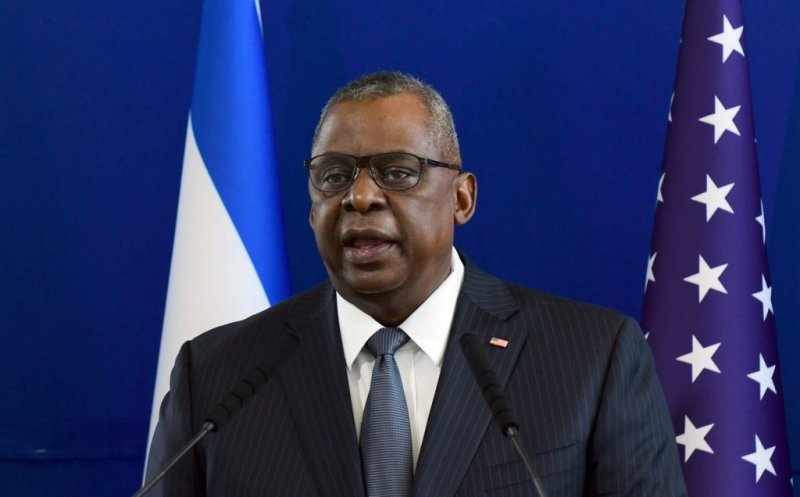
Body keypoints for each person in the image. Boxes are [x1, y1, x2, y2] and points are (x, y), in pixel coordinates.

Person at [146, 71, 687, 497]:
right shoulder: (216, 377)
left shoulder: (593, 358)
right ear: (312, 212)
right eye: (333, 176)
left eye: (398, 171)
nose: (359, 197)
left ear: (462, 199)